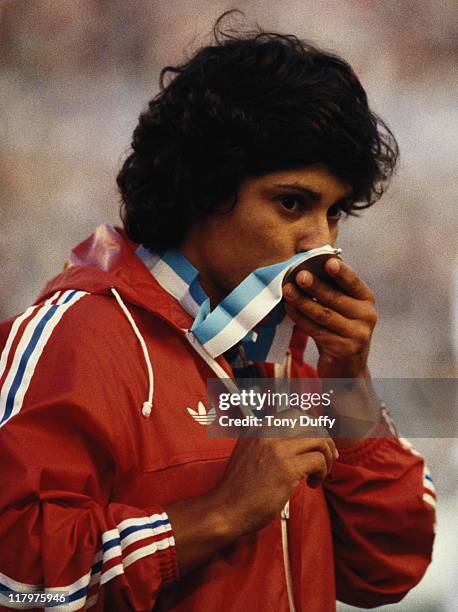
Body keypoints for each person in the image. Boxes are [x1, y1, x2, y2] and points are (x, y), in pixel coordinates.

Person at [0, 15, 436, 612]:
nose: (320, 244)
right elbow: (15, 583)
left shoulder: (282, 357)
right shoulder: (77, 336)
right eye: (291, 203)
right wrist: (220, 513)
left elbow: (389, 568)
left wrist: (349, 379)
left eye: (335, 214)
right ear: (203, 188)